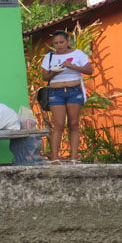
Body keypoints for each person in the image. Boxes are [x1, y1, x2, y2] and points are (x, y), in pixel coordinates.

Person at [41, 30, 93, 164]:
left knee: (74, 123)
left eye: (61, 42)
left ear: (68, 42)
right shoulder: (50, 57)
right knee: (58, 123)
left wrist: (72, 66)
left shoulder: (78, 54)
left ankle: (74, 157)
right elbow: (45, 76)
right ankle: (54, 157)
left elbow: (89, 70)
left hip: (74, 90)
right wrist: (55, 71)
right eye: (56, 43)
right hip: (56, 91)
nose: (59, 45)